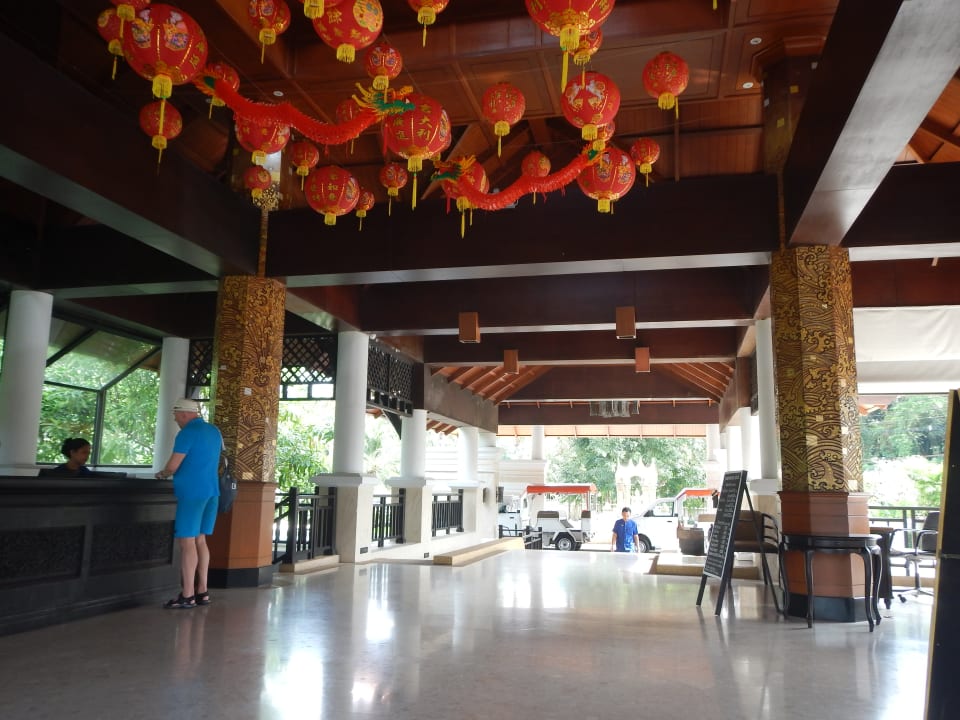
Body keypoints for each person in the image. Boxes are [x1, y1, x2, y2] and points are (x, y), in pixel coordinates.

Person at [156, 398, 222, 609]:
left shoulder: (187, 433)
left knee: (187, 542)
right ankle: (202, 591)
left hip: (192, 492)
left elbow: (173, 466)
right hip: (212, 491)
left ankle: (187, 595)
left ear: (184, 413)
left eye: (175, 414)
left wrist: (162, 473)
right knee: (200, 540)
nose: (175, 419)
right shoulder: (214, 431)